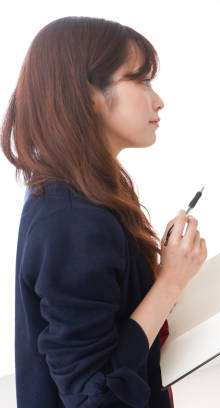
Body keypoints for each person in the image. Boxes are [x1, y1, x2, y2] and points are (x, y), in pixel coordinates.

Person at [2, 17, 207, 407]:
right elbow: (95, 397)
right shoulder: (72, 217)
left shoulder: (80, 188)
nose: (158, 100)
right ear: (89, 94)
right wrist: (170, 283)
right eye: (141, 81)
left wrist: (166, 275)